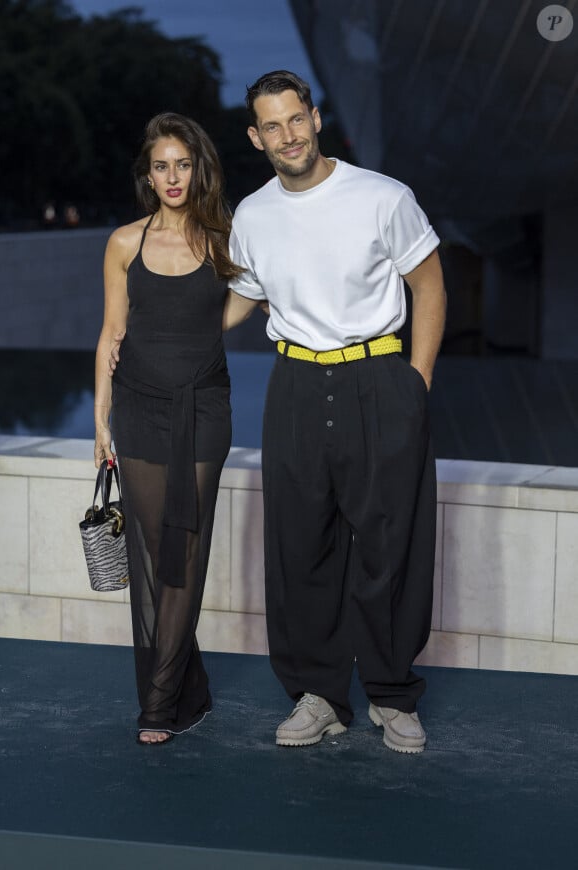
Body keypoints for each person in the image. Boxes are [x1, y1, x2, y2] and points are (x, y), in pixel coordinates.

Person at [225, 71, 447, 753]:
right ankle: (318, 694)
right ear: (255, 136)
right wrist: (161, 333)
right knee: (300, 545)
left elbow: (430, 288)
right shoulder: (253, 214)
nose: (287, 135)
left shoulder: (382, 197)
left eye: (297, 119)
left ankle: (390, 694)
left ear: (315, 118)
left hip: (377, 376)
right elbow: (242, 298)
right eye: (272, 125)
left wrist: (416, 386)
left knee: (388, 543)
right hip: (294, 382)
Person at [94, 112, 244, 746]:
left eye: (184, 164)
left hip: (204, 409)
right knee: (154, 553)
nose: (173, 176)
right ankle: (191, 685)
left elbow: (251, 296)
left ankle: (158, 706)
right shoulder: (125, 243)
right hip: (138, 409)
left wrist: (203, 340)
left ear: (198, 168)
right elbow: (111, 333)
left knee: (185, 554)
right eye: (162, 165)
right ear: (148, 174)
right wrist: (100, 416)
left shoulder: (222, 239)